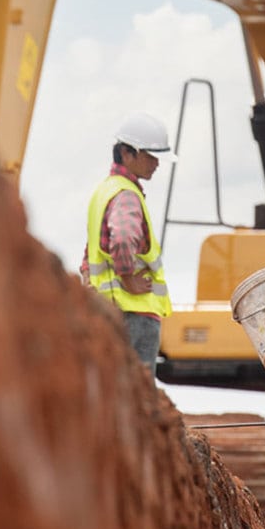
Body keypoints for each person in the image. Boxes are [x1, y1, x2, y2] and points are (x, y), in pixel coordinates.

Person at [81, 112, 173, 367]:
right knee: (139, 399)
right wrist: (128, 277)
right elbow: (122, 240)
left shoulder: (105, 191)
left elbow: (90, 252)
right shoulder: (126, 195)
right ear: (126, 153)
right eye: (150, 156)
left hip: (110, 313)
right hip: (135, 314)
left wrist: (89, 282)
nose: (156, 164)